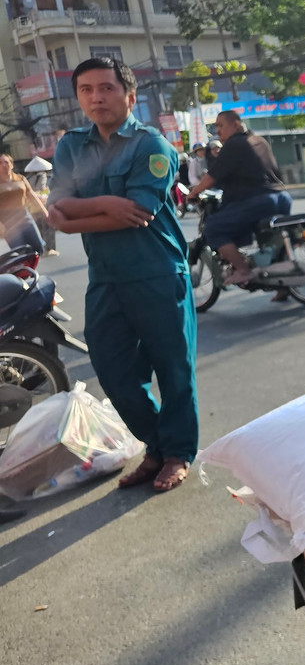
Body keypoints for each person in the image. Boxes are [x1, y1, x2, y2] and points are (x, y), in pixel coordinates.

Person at [46, 56, 198, 493]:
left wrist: (73, 220)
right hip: (106, 276)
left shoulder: (152, 145)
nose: (97, 97)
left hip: (157, 272)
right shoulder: (71, 146)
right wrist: (107, 204)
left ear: (129, 96)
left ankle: (176, 453)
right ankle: (157, 443)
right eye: (87, 90)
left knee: (173, 368)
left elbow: (137, 213)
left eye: (107, 88)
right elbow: (57, 205)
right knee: (112, 369)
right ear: (79, 98)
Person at [188, 111, 292, 286]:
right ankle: (283, 286)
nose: (218, 130)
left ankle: (243, 270)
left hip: (258, 200)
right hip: (281, 197)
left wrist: (193, 193)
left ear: (236, 124)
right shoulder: (258, 141)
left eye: (221, 125)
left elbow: (212, 176)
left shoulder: (234, 144)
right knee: (271, 241)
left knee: (213, 228)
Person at [0, 154, 50, 255]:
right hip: (8, 222)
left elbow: (32, 196)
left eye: (6, 162)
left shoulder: (20, 178)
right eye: (0, 163)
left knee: (38, 247)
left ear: (12, 165)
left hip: (24, 216)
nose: (4, 165)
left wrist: (45, 212)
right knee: (20, 251)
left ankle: (31, 265)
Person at [24, 155, 58, 255]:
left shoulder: (27, 178)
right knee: (49, 227)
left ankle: (42, 249)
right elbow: (42, 188)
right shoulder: (42, 175)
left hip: (32, 207)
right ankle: (50, 248)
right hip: (43, 205)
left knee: (39, 228)